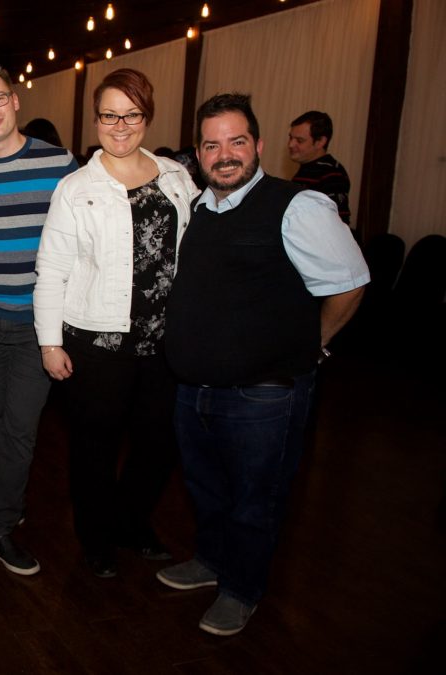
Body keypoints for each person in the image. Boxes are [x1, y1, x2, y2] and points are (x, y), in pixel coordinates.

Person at [159, 93, 369, 636]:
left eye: (236, 141)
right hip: (194, 388)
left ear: (258, 145)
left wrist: (312, 347)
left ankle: (242, 589)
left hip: (264, 396)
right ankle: (211, 561)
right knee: (205, 490)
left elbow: (348, 286)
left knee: (255, 500)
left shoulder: (296, 205)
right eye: (212, 144)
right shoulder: (201, 209)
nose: (224, 154)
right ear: (199, 153)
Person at [34, 68, 199, 578]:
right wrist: (48, 344)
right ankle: (96, 537)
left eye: (131, 114)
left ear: (147, 117)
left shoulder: (176, 176)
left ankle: (131, 521)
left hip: (167, 343)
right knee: (94, 448)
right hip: (96, 342)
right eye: (110, 115)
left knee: (158, 444)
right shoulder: (75, 187)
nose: (120, 125)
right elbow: (52, 271)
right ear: (96, 119)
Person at [0, 64, 78, 576]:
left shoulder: (61, 164)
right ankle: (9, 500)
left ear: (16, 100)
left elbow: (82, 238)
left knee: (21, 428)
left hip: (38, 324)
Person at [288, 110, 351, 224]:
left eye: (299, 140)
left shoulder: (332, 174)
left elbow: (337, 223)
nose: (291, 144)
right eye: (291, 138)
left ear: (320, 142)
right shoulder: (307, 168)